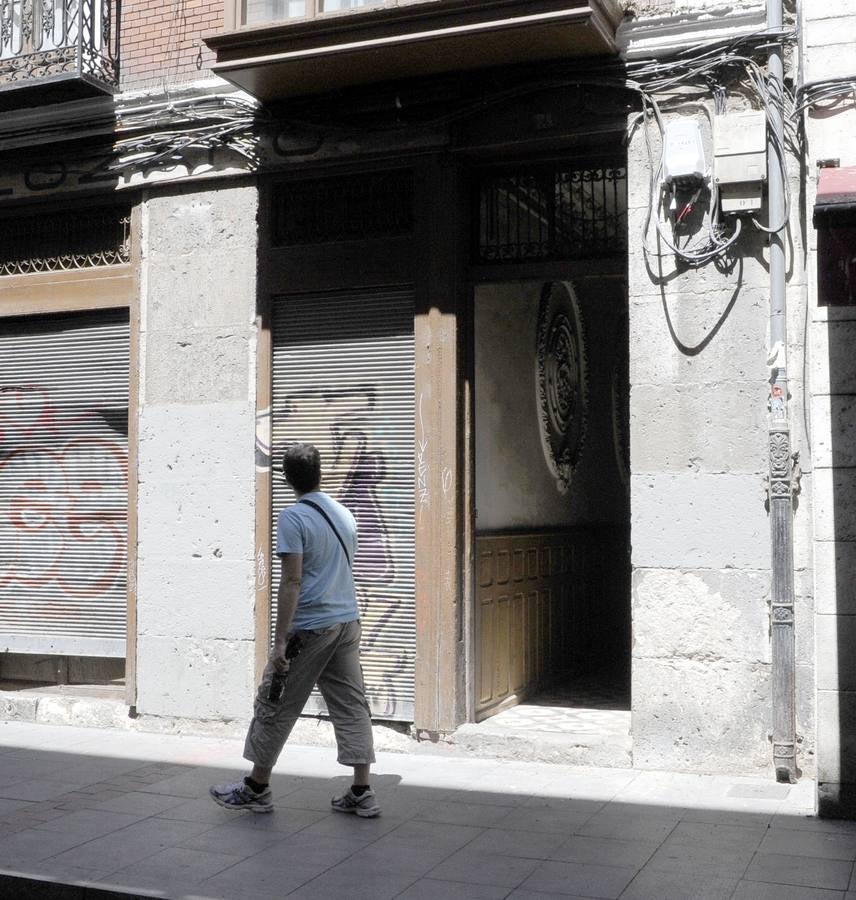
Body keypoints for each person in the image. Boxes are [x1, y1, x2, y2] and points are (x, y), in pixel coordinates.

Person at [209, 442, 379, 816]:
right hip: (347, 621)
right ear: (320, 474)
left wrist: (279, 641)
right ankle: (362, 790)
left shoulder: (293, 518)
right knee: (352, 703)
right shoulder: (344, 513)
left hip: (312, 627)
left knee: (275, 701)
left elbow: (292, 581)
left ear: (286, 479)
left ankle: (256, 787)